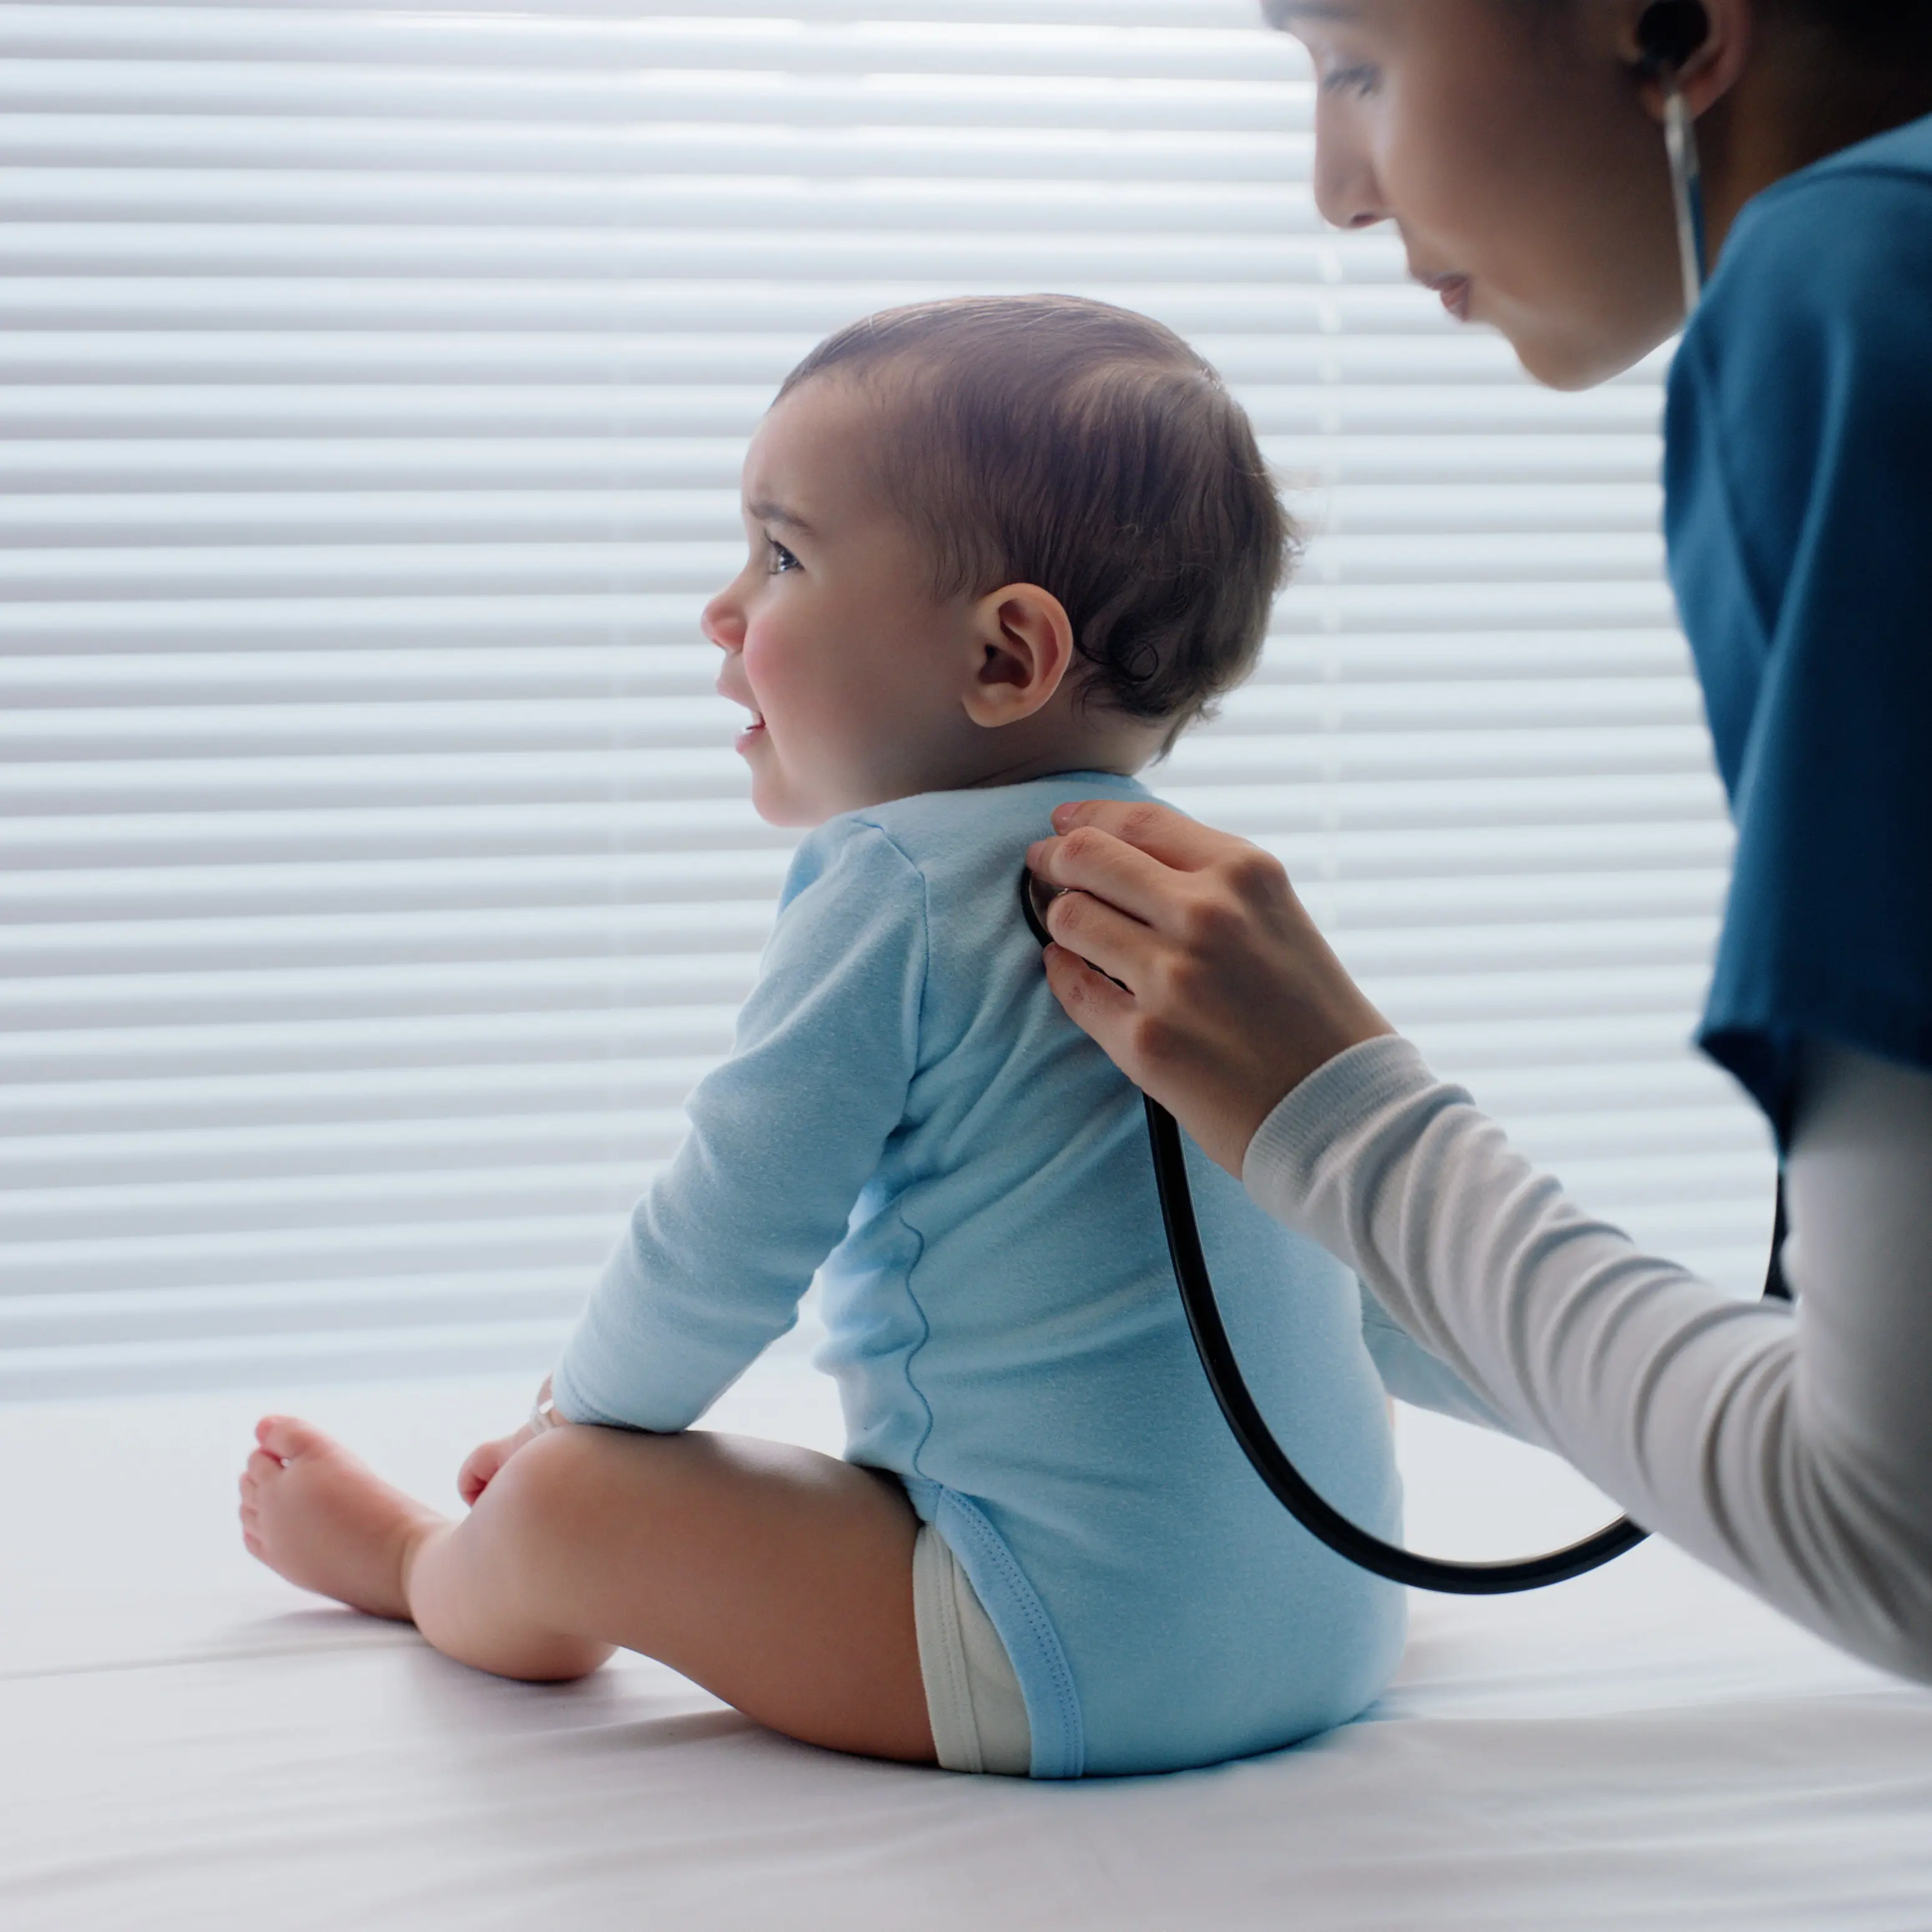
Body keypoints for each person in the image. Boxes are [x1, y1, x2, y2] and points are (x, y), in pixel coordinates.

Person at [237, 295, 1420, 1780]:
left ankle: (426, 1565)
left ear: (1005, 658)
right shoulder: (1220, 895)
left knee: (569, 1504)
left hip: (1071, 1656)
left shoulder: (899, 887)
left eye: (780, 556)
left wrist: (576, 1425)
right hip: (1335, 1620)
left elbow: (723, 1234)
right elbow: (1361, 1259)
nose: (721, 609)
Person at [1025, 0, 1932, 1681]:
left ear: (1669, 26)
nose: (1334, 193)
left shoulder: (1852, 298)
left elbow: (1905, 1535)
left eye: (1354, 65)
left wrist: (1341, 1121)